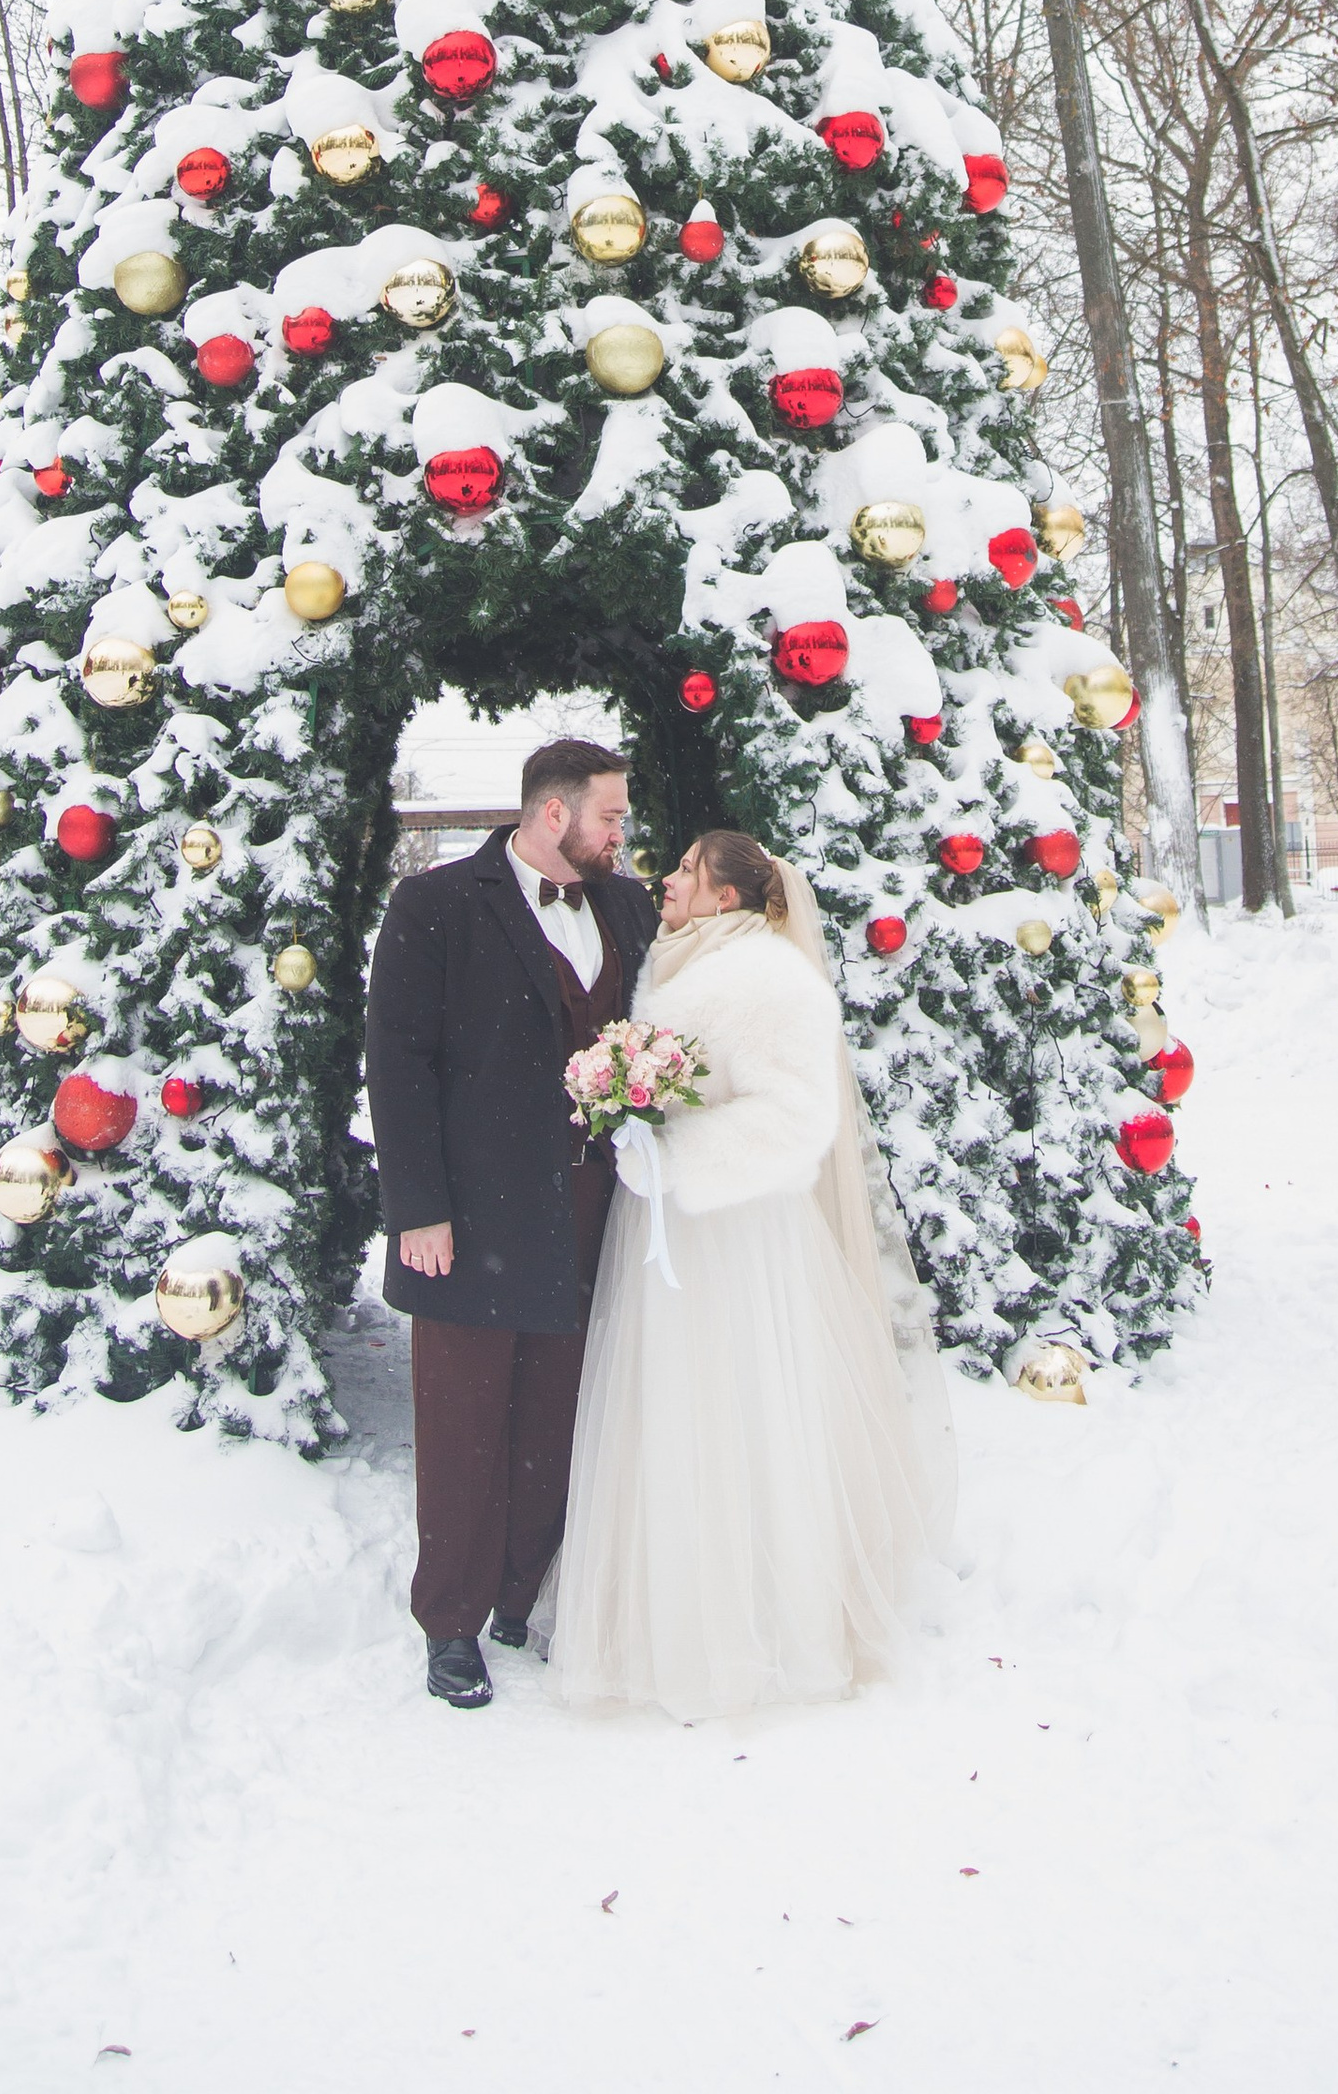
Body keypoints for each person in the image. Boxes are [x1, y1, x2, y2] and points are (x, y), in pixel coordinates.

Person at [550, 828, 956, 1725]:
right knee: (675, 1410)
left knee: (745, 1410)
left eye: (687, 870)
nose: (668, 878)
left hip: (739, 1235)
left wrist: (675, 1156)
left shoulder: (768, 978)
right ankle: (670, 1618)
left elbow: (795, 1115)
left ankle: (768, 1624)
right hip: (671, 1233)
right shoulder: (678, 964)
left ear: (726, 897)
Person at [364, 736, 656, 1709]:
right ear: (553, 813)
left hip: (594, 1207)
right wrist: (418, 1210)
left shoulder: (627, 907)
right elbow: (396, 1063)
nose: (620, 835)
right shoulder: (435, 905)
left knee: (557, 1413)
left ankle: (524, 1594)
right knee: (463, 1421)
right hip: (469, 1219)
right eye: (609, 817)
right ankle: (450, 1622)